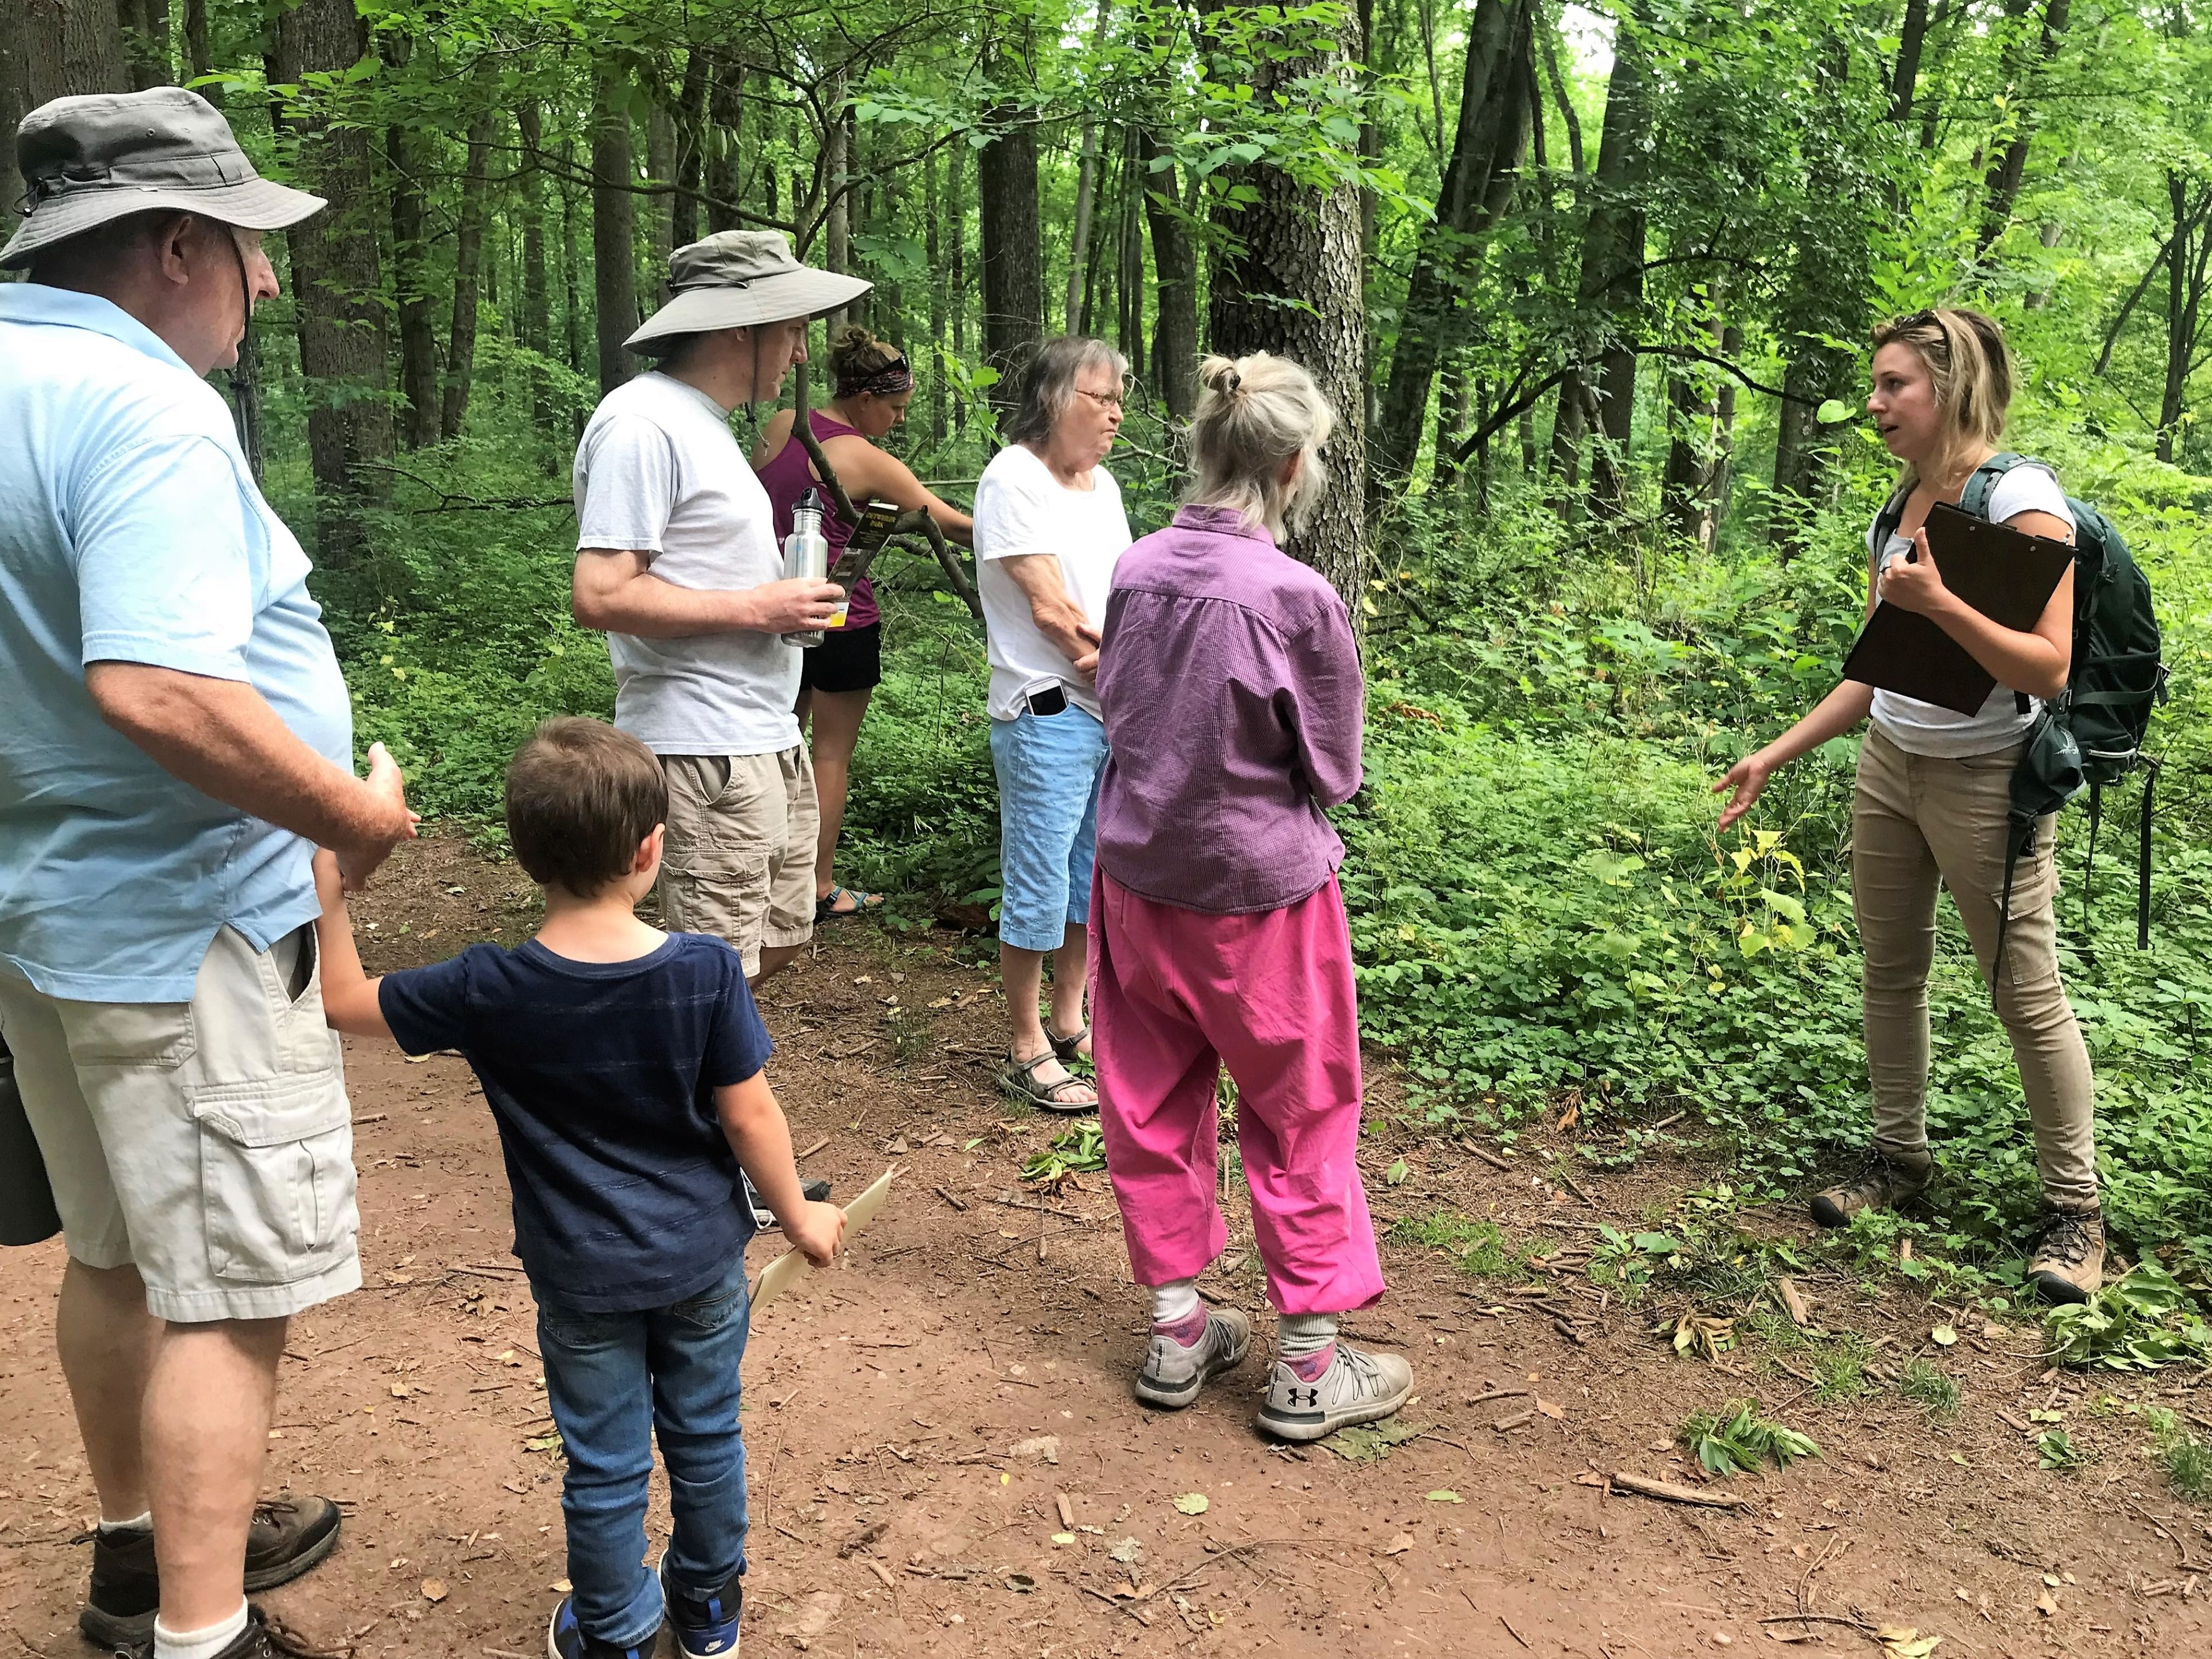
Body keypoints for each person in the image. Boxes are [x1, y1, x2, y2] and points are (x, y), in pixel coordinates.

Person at [0, 88, 417, 1659]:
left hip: (47, 918)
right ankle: (201, 1634)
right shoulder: (147, 407)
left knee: (114, 1251)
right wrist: (352, 821)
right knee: (226, 1290)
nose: (267, 285)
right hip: (187, 928)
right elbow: (160, 689)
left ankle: (139, 1554)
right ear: (176, 244)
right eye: (250, 251)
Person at [311, 717, 846, 1659]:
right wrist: (799, 1214)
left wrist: (332, 888)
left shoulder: (490, 984)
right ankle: (709, 1610)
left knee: (603, 1464)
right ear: (650, 848)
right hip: (700, 1260)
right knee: (707, 1434)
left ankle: (618, 1633)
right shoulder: (705, 970)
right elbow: (751, 1117)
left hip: (578, 1274)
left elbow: (345, 1003)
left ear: (526, 854)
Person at [1715, 308, 2103, 1302]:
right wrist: (1776, 750)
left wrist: (1945, 605)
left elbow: (2047, 667)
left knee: (2023, 990)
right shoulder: (1898, 506)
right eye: (1876, 385)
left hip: (1986, 780)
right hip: (1890, 763)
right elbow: (1877, 670)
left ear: (1950, 384)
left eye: (1894, 385)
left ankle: (2075, 1211)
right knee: (1891, 970)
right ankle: (1899, 1157)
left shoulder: (2022, 501)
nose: (1876, 403)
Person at [1088, 351, 1410, 1441]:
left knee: (1148, 1098)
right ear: (1292, 462)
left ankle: (1178, 1327)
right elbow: (1336, 767)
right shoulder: (1298, 599)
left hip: (1139, 883)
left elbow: (1118, 709)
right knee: (1301, 1109)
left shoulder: (1135, 569)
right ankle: (1310, 1369)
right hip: (1263, 901)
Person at [571, 231, 870, 986]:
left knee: (777, 943)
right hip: (703, 744)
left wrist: (785, 605)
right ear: (744, 324)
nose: (802, 353)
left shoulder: (704, 426)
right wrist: (758, 607)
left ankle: (689, 1081)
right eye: (795, 329)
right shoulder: (641, 423)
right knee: (715, 972)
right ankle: (683, 1097)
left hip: (763, 732)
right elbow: (600, 593)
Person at [752, 325, 975, 921]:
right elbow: (951, 524)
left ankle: (763, 873)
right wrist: (1033, 535)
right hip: (843, 615)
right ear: (866, 399)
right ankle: (817, 888)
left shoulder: (780, 426)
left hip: (776, 606)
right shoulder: (865, 459)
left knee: (778, 743)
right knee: (830, 755)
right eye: (896, 408)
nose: (900, 420)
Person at [974, 336, 1136, 1113]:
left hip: (1109, 713)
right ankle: (1024, 1042)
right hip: (1049, 710)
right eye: (1099, 397)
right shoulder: (1013, 477)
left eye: (1118, 398)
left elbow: (1123, 597)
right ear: (1051, 400)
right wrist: (1136, 683)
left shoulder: (1101, 486)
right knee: (1038, 879)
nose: (1115, 413)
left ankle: (1070, 1022)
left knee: (1086, 878)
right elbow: (1055, 613)